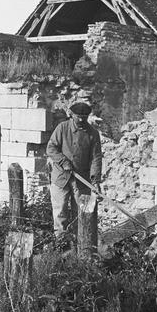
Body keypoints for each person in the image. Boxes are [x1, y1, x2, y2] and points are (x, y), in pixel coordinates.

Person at [46, 101, 103, 240]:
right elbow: (51, 148)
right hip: (61, 178)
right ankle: (60, 243)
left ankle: (80, 245)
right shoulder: (62, 128)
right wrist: (64, 161)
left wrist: (95, 181)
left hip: (82, 180)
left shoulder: (93, 134)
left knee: (81, 213)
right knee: (60, 212)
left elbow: (96, 158)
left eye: (85, 116)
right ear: (71, 115)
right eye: (79, 116)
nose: (82, 119)